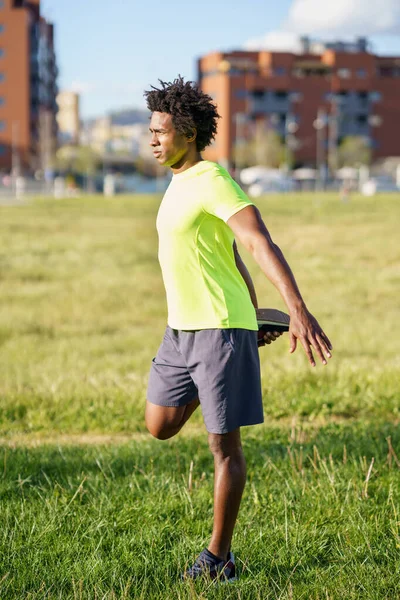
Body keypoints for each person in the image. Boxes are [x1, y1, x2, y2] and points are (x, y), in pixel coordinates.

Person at [144, 77, 332, 582]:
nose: (153, 139)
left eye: (161, 131)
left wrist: (297, 308)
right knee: (158, 425)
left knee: (224, 448)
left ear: (187, 132)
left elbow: (255, 242)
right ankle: (246, 340)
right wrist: (253, 309)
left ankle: (218, 558)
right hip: (180, 331)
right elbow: (222, 252)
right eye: (151, 130)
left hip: (218, 330)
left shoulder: (212, 180)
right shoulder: (178, 182)